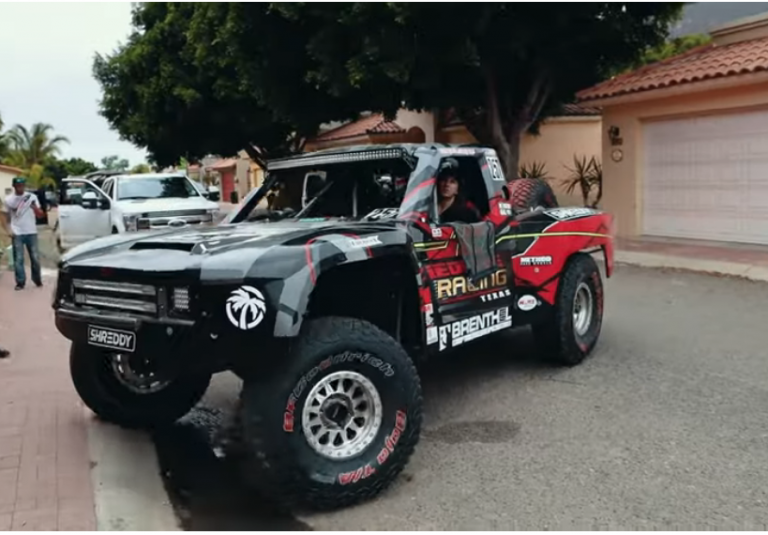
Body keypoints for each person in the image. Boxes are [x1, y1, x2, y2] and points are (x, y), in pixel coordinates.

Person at [2, 177, 44, 290]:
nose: (20, 187)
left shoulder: (32, 197)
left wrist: (35, 208)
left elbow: (40, 215)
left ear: (24, 186)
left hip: (31, 231)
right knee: (18, 259)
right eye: (18, 185)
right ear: (14, 186)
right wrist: (8, 230)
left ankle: (37, 279)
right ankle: (20, 282)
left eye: (22, 185)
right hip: (17, 233)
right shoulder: (8, 200)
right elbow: (4, 216)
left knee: (35, 258)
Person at [436, 158, 481, 224]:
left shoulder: (464, 214)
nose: (447, 184)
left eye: (452, 182)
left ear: (457, 189)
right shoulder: (429, 206)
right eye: (444, 180)